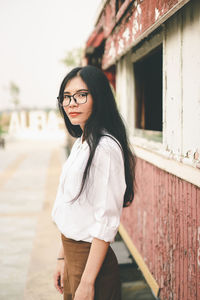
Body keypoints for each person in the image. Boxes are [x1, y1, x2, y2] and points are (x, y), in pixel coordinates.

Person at [51, 65, 136, 300]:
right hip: (73, 255)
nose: (71, 103)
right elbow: (73, 207)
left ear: (98, 97)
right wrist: (62, 257)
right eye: (66, 97)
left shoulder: (105, 148)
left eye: (81, 95)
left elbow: (105, 220)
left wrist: (87, 282)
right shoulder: (82, 142)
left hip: (91, 263)